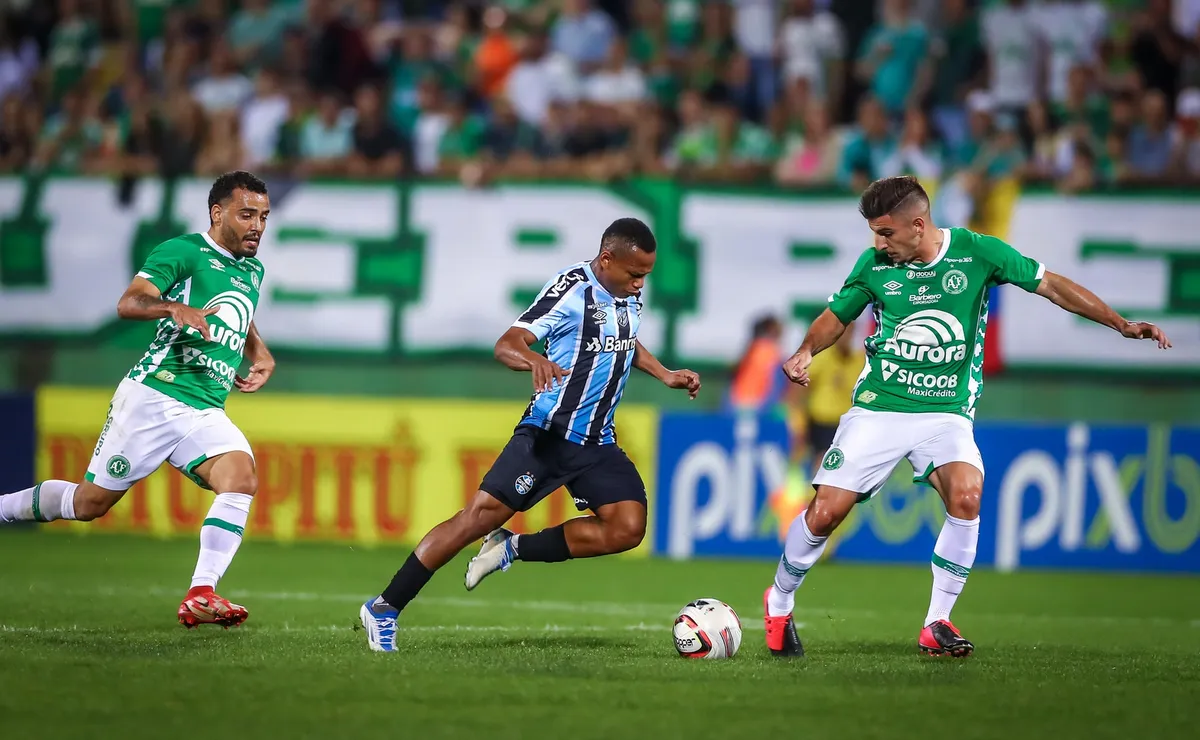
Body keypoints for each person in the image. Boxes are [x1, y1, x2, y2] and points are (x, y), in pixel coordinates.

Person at [763, 175, 1171, 659]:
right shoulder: (874, 265)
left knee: (967, 494)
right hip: (879, 409)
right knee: (826, 512)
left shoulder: (978, 253)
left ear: (919, 224)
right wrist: (806, 350)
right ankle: (780, 599)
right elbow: (838, 315)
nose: (878, 243)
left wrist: (1121, 324)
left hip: (946, 413)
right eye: (874, 232)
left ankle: (937, 622)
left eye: (886, 232)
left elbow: (1052, 285)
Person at [359, 217, 701, 652]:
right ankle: (385, 607)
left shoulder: (626, 294)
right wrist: (531, 360)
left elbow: (625, 341)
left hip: (597, 442)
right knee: (474, 519)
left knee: (627, 528)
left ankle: (512, 548)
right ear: (607, 258)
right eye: (635, 275)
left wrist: (665, 374)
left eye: (645, 277)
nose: (639, 286)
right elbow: (508, 343)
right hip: (548, 435)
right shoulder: (570, 291)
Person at [0, 171, 276, 630]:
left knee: (241, 477)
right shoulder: (183, 252)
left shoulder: (252, 269)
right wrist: (172, 307)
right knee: (89, 504)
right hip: (154, 397)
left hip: (205, 408)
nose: (257, 226)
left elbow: (235, 311)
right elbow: (130, 302)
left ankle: (201, 593)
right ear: (218, 212)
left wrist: (257, 349)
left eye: (264, 217)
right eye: (247, 214)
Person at [799, 322, 864, 476]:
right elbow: (801, 388)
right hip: (822, 421)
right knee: (822, 461)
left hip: (847, 423)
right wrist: (799, 419)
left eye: (849, 332)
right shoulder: (822, 356)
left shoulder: (859, 360)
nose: (845, 337)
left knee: (846, 466)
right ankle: (814, 494)